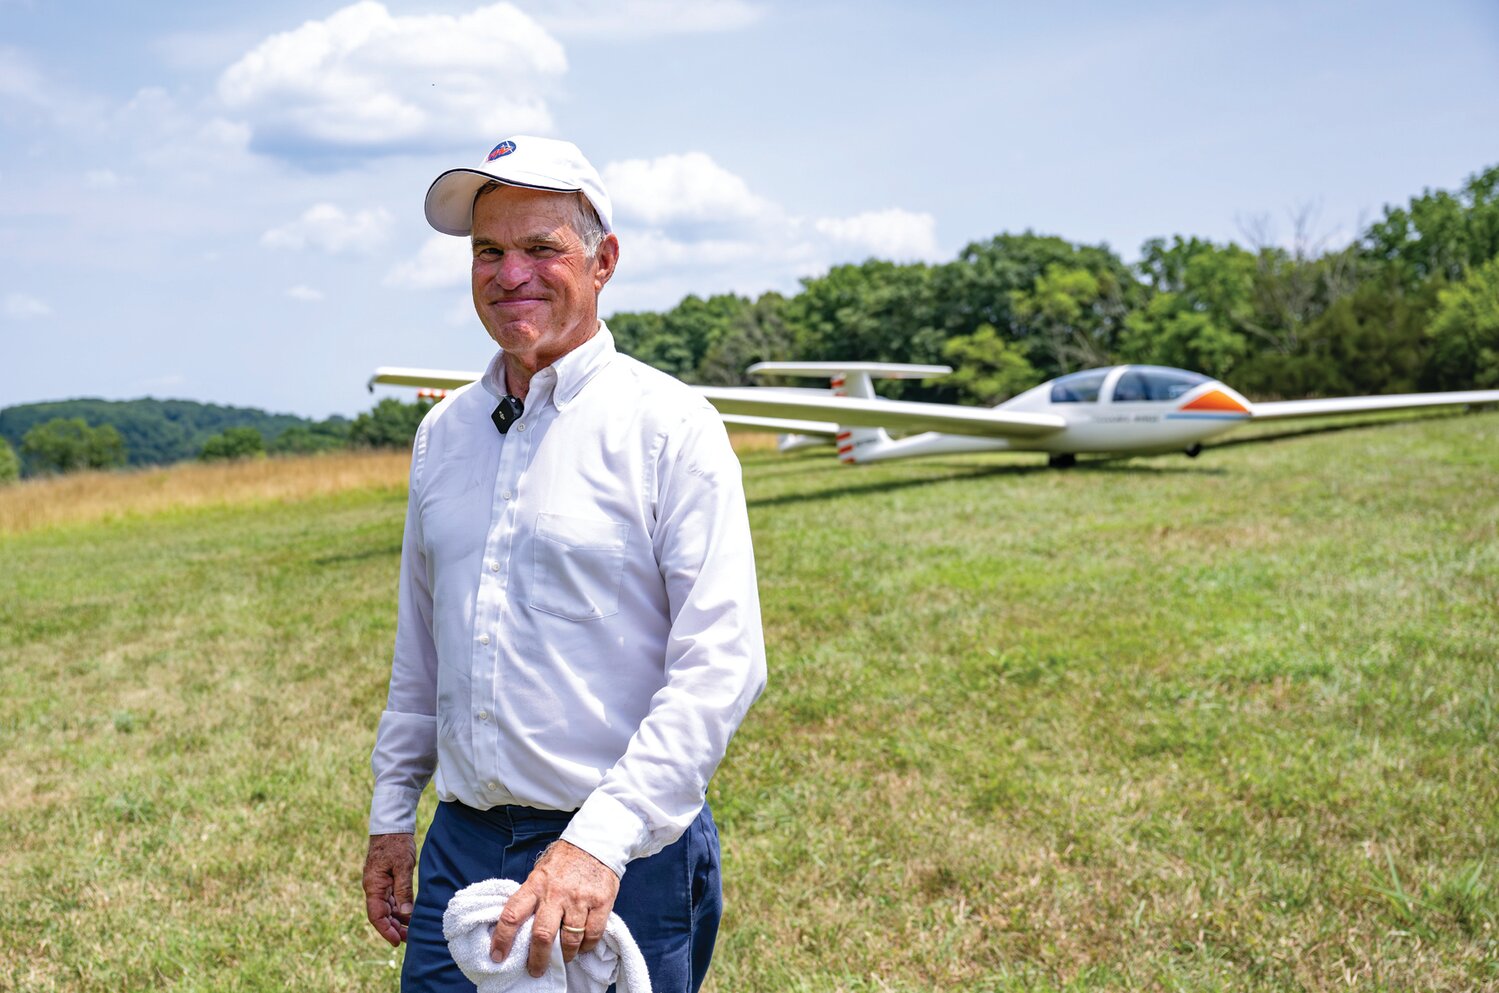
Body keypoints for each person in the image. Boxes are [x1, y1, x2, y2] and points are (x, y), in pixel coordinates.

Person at [360, 135, 767, 992]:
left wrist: (596, 841)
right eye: (488, 252)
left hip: (625, 851)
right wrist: (392, 814)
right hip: (460, 846)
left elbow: (722, 665)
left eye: (540, 248)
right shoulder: (444, 434)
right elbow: (419, 651)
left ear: (602, 259)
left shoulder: (671, 425)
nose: (511, 274)